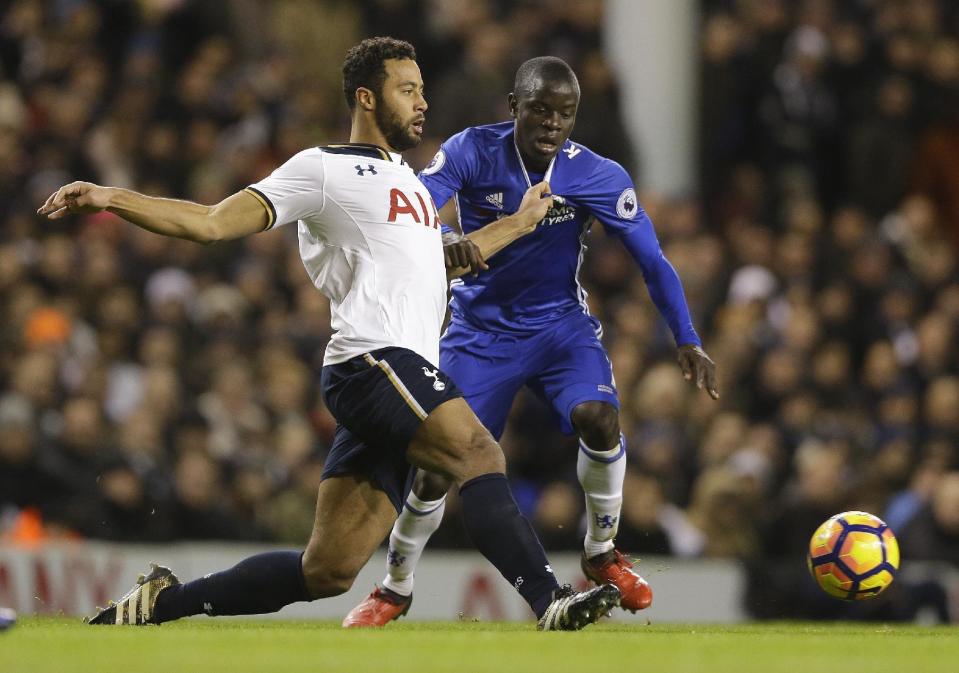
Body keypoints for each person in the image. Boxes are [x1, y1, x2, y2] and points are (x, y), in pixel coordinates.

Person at [37, 37, 620, 631]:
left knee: (328, 571)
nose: (423, 102)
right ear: (367, 98)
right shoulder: (321, 168)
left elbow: (451, 257)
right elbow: (210, 223)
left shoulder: (413, 185)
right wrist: (113, 198)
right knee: (477, 452)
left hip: (397, 378)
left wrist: (519, 225)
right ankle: (550, 600)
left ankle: (159, 603)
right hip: (373, 362)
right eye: (408, 90)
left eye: (422, 89)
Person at [344, 56, 718, 627]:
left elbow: (654, 261)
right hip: (478, 332)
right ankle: (395, 588)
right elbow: (415, 206)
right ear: (514, 106)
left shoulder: (597, 174)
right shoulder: (471, 149)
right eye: (540, 110)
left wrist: (687, 338)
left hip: (559, 328)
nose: (551, 124)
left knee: (599, 416)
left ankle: (601, 553)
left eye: (564, 114)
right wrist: (447, 236)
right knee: (437, 469)